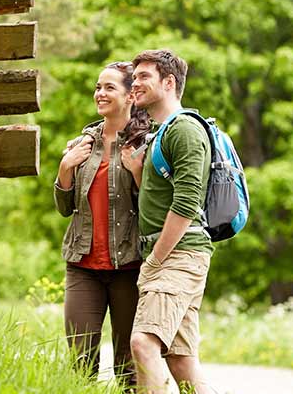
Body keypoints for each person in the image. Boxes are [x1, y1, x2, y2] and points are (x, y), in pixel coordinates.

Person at [53, 61, 151, 387]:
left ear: (129, 97)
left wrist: (137, 173)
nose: (100, 93)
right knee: (82, 361)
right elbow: (65, 208)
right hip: (82, 266)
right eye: (98, 87)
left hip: (129, 267)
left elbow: (153, 211)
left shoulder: (144, 142)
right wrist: (65, 169)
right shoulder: (83, 142)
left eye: (109, 87)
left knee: (129, 365)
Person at [129, 49, 214, 393]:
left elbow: (187, 202)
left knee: (143, 343)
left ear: (169, 82)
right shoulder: (161, 132)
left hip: (179, 256)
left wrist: (155, 260)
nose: (135, 83)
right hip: (177, 255)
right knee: (180, 359)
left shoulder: (185, 129)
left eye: (144, 76)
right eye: (134, 77)